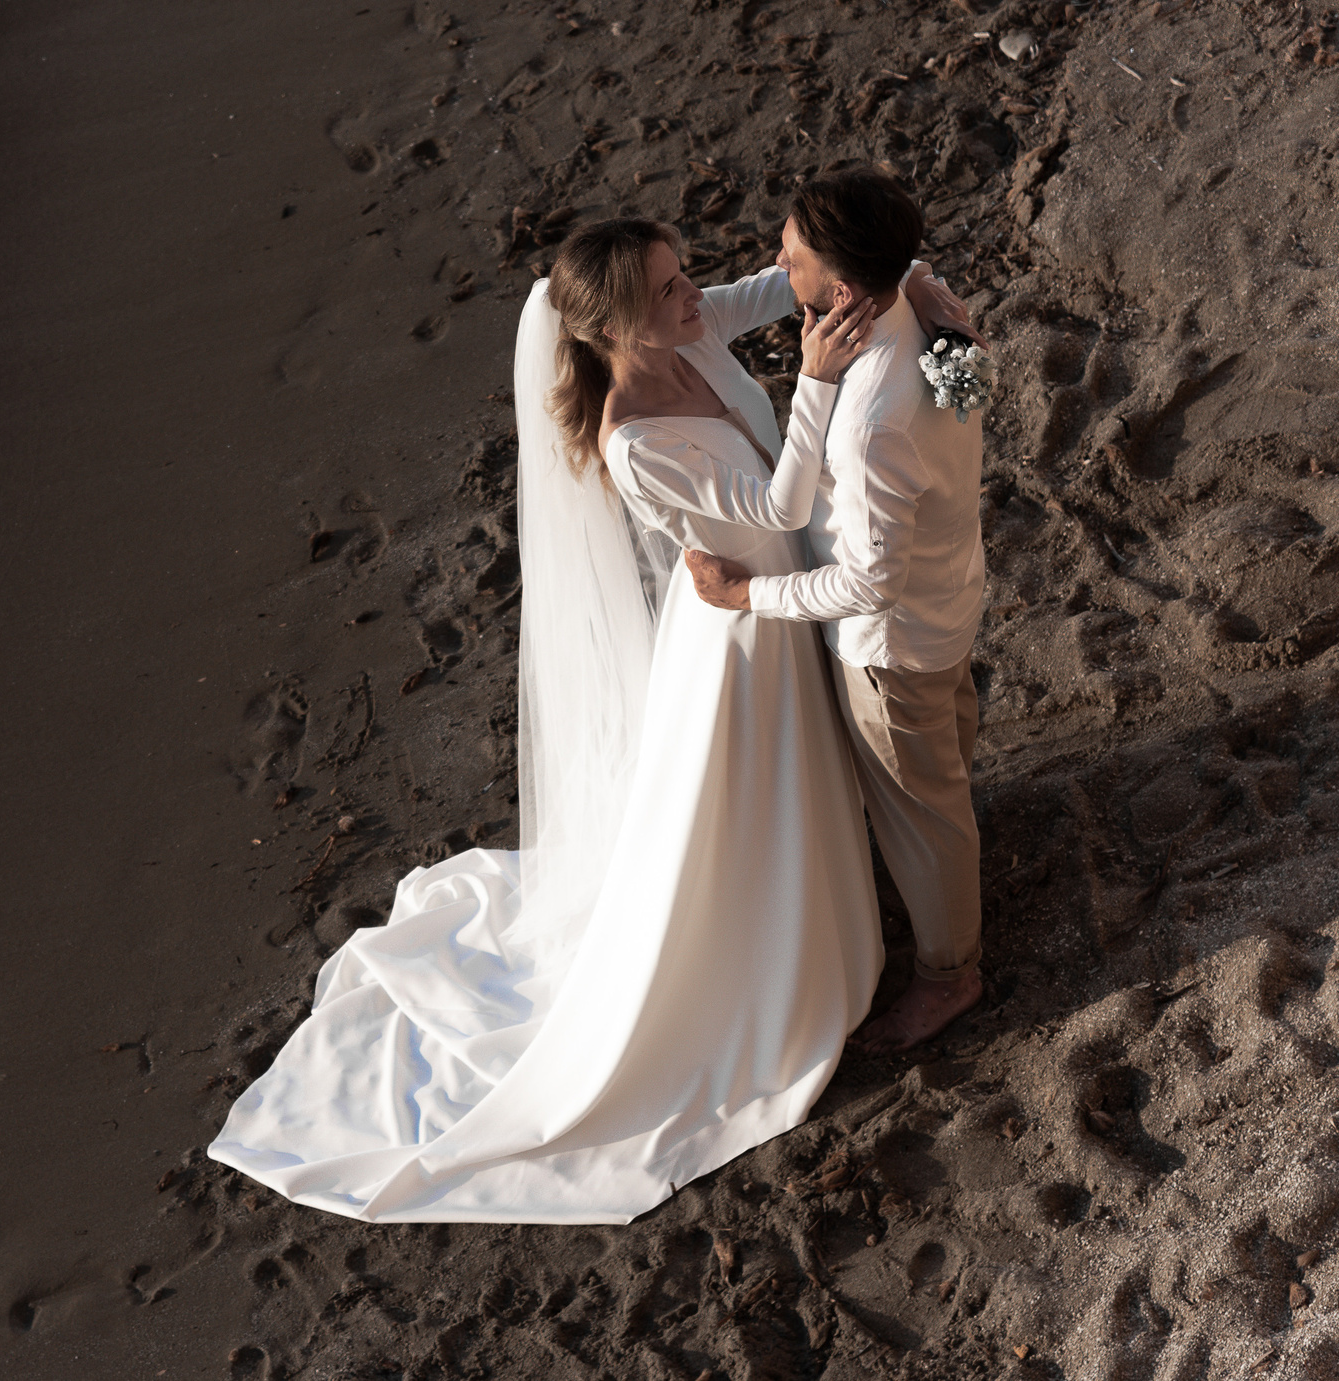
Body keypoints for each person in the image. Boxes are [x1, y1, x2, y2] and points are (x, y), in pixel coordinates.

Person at [207, 218, 957, 1223]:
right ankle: (784, 963)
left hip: (774, 603)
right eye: (669, 287)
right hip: (739, 636)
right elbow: (774, 508)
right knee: (752, 805)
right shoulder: (635, 439)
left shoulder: (684, 327)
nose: (695, 292)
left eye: (684, 272)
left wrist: (893, 272)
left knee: (798, 793)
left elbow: (776, 283)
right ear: (615, 327)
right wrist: (815, 380)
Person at [683, 170, 988, 1053]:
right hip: (952, 590)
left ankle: (949, 973)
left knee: (921, 810)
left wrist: (749, 596)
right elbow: (900, 269)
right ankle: (953, 875)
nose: (777, 260)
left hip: (894, 641)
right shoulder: (925, 308)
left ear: (843, 290)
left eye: (794, 255)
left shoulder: (870, 420)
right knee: (943, 766)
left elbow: (866, 582)